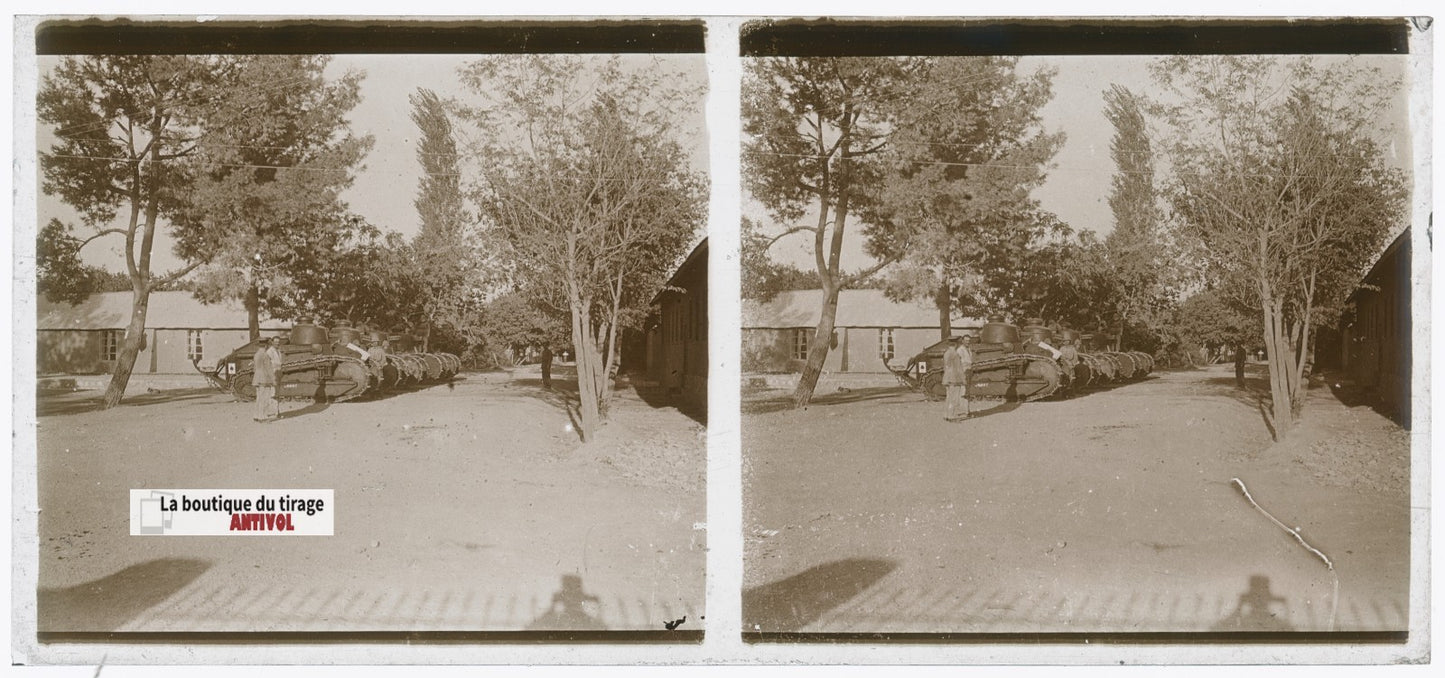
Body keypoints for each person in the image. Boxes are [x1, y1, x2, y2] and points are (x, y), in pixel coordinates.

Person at [252, 336, 283, 423]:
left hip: (257, 378)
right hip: (264, 379)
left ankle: (256, 415)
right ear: (266, 345)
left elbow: (254, 368)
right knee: (265, 398)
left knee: (259, 398)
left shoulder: (256, 354)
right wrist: (273, 380)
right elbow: (269, 369)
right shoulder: (265, 355)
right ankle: (263, 417)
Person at [943, 335, 972, 422]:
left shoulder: (946, 353)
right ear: (955, 344)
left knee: (949, 397)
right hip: (954, 379)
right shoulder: (955, 354)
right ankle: (952, 417)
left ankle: (946, 415)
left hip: (947, 378)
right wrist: (963, 380)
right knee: (954, 399)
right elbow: (959, 368)